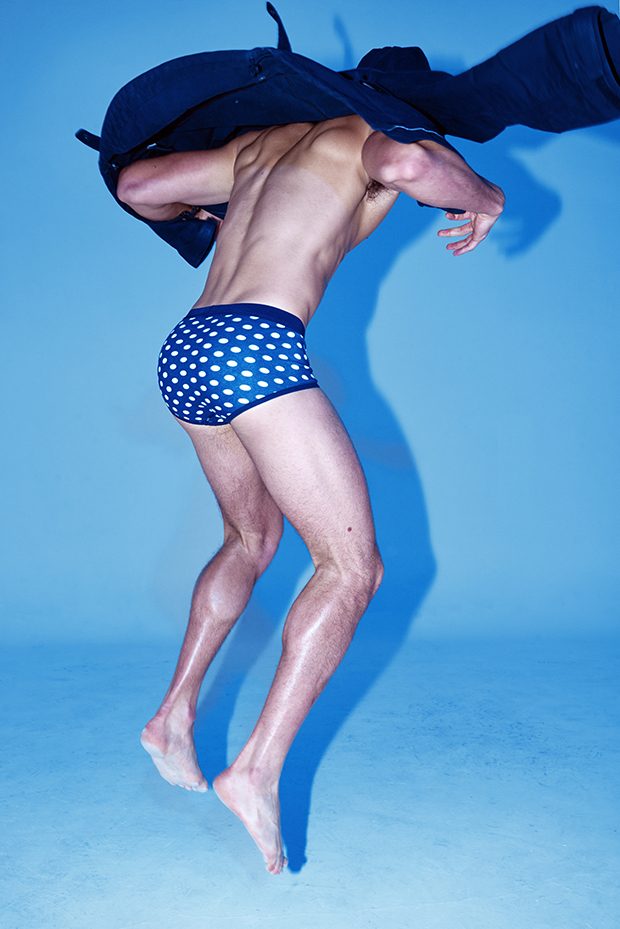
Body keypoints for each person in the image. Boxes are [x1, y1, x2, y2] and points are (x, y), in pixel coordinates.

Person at [116, 116, 504, 874]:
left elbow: (137, 186)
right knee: (351, 569)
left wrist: (203, 215)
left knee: (249, 540)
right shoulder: (371, 135)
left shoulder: (254, 146)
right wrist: (485, 197)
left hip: (188, 345)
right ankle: (256, 769)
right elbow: (407, 162)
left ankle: (172, 718)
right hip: (255, 345)